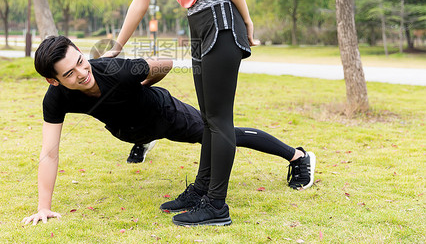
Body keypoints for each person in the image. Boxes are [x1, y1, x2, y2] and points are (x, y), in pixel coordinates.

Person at [105, 0, 316, 226]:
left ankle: (216, 205)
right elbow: (139, 3)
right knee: (207, 120)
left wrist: (246, 20)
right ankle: (202, 190)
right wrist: (116, 45)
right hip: (198, 24)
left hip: (220, 20)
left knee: (219, 119)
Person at [21, 36, 316, 226]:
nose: (82, 74)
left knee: (220, 135)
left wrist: (141, 85)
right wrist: (43, 207)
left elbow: (165, 63)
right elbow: (49, 152)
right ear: (53, 80)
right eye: (69, 74)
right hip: (127, 129)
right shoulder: (56, 98)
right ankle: (144, 141)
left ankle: (297, 156)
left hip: (165, 114)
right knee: (130, 131)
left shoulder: (116, 70)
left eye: (81, 62)